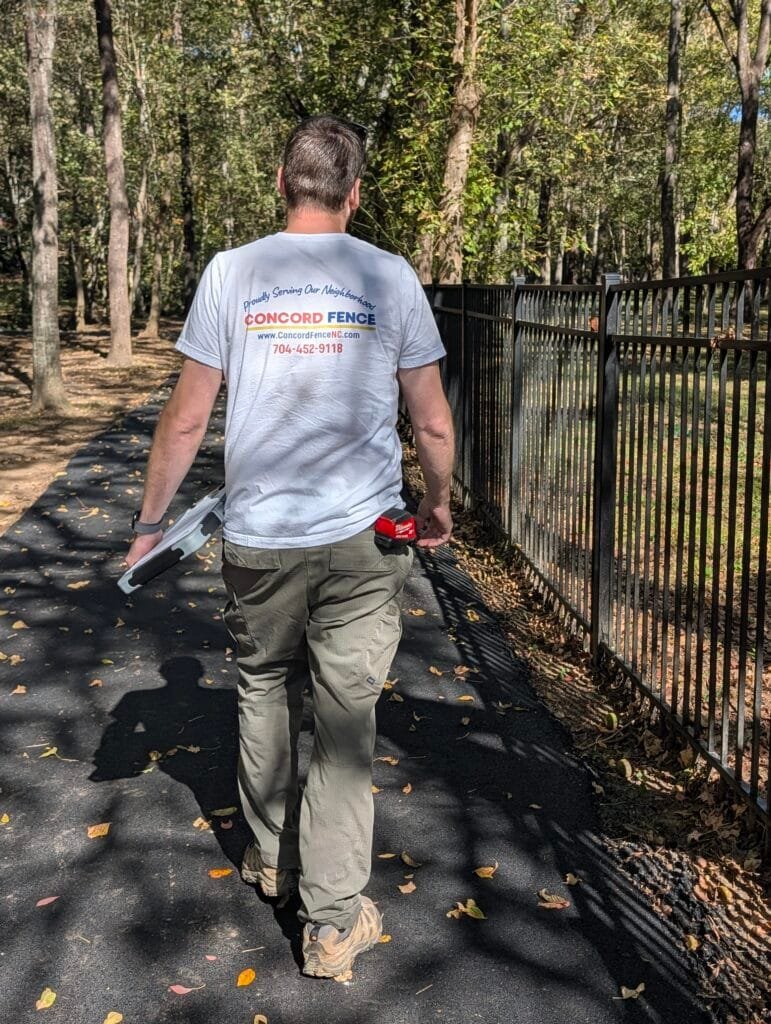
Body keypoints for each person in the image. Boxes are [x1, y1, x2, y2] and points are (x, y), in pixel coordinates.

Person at [125, 115, 455, 979]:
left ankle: (272, 859)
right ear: (354, 194)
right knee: (345, 723)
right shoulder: (389, 277)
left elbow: (189, 415)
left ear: (281, 182)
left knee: (263, 689)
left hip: (259, 539)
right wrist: (441, 504)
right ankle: (332, 924)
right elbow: (430, 419)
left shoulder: (232, 273)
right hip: (362, 541)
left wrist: (149, 527)